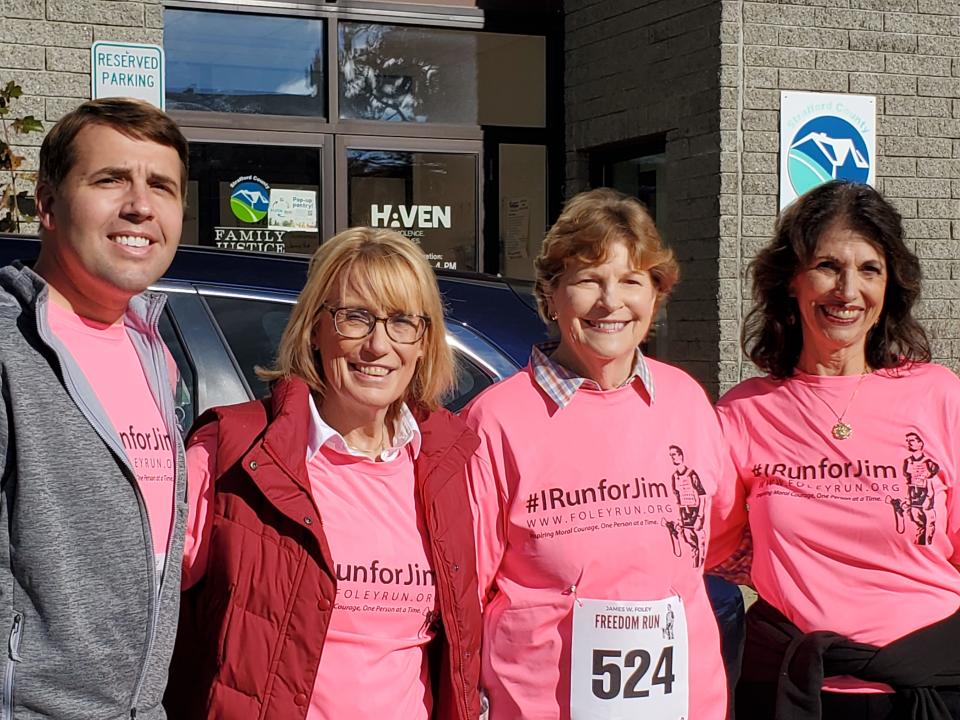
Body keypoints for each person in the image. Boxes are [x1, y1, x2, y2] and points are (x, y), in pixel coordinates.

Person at [164, 227, 482, 719]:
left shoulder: (448, 466)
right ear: (315, 328)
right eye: (355, 317)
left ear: (423, 342)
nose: (378, 345)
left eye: (401, 322)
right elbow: (132, 599)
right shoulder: (232, 451)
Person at [462, 187, 736, 720]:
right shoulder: (495, 419)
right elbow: (466, 587)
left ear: (656, 295)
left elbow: (716, 538)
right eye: (588, 280)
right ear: (551, 293)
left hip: (684, 705)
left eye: (632, 281)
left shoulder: (687, 401)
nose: (611, 302)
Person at [714, 180, 960, 719]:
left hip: (930, 690)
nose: (847, 290)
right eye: (827, 265)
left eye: (869, 269)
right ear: (791, 282)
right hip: (794, 689)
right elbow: (715, 544)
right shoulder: (743, 411)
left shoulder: (939, 395)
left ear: (890, 284)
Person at [0, 98, 188, 717]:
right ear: (48, 204)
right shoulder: (9, 345)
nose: (140, 205)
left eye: (161, 186)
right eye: (111, 180)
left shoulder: (153, 351)